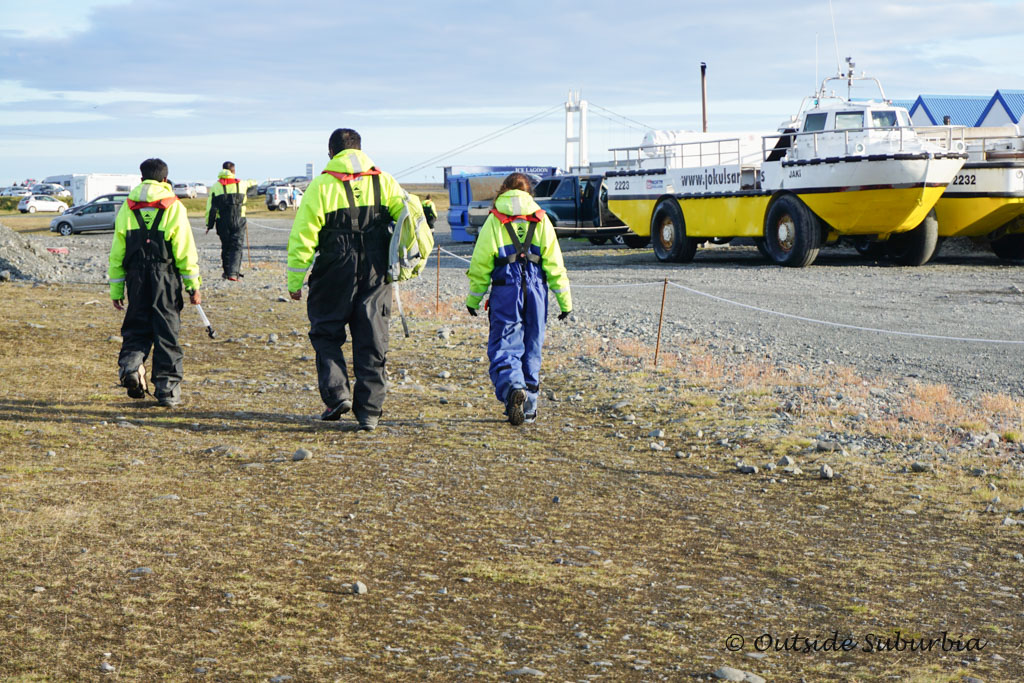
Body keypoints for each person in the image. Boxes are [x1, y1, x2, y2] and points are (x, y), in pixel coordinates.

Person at [287, 128, 424, 430]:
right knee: (372, 334)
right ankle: (370, 412)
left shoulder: (320, 186)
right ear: (361, 150)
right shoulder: (384, 181)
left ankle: (337, 395)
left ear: (331, 152)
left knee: (325, 332)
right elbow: (409, 220)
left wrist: (295, 281)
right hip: (377, 267)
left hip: (335, 264)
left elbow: (303, 237)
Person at [465, 173, 571, 425]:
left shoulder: (494, 221)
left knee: (504, 345)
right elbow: (555, 264)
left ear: (504, 190)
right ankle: (530, 408)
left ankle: (513, 387)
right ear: (528, 193)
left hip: (506, 289)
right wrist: (565, 301)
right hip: (537, 291)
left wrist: (474, 298)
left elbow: (481, 263)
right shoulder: (542, 219)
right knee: (532, 345)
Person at [108, 158, 202, 408]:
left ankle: (130, 366)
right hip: (165, 276)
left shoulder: (127, 207)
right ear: (165, 180)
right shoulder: (174, 206)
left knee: (137, 326)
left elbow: (117, 251)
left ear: (141, 179)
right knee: (167, 331)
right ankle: (167, 390)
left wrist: (116, 288)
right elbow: (184, 250)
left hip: (135, 277)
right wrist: (193, 286)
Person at [205, 161, 252, 280]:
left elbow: (211, 208)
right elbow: (252, 184)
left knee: (225, 246)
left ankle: (227, 272)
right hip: (239, 219)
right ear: (233, 171)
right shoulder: (242, 184)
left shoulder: (216, 186)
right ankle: (233, 273)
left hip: (222, 221)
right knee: (237, 246)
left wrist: (209, 225)